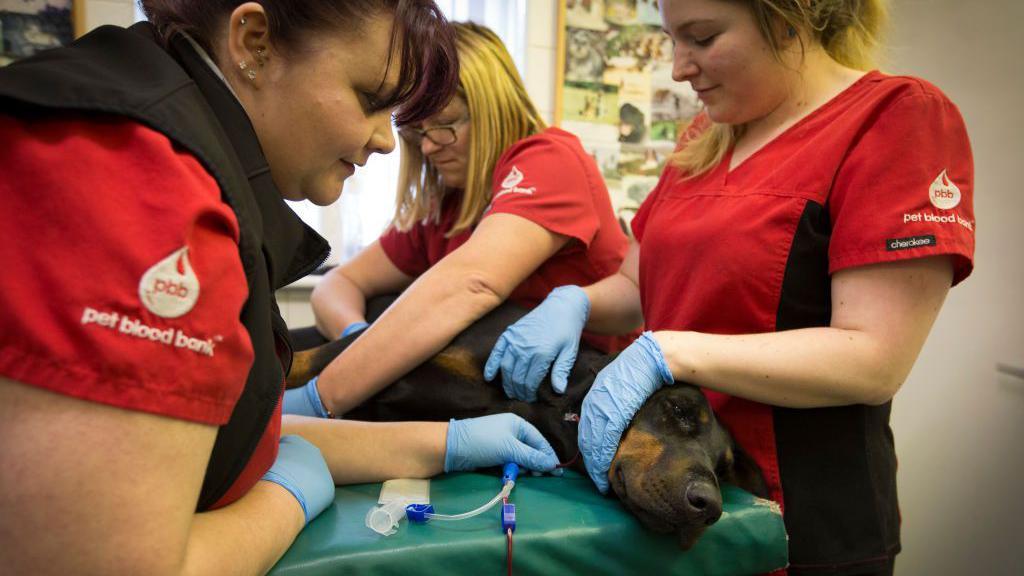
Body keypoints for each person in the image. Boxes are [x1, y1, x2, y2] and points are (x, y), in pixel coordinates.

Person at [0, 2, 560, 574]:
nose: (390, 144)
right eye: (371, 99)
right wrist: (285, 499)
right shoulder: (140, 187)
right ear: (254, 42)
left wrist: (447, 445)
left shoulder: (179, 143)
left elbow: (217, 442)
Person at [485, 0, 975, 574]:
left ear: (790, 16)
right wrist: (573, 302)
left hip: (799, 517)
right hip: (666, 485)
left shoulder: (894, 118)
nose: (678, 67)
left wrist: (672, 352)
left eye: (701, 37)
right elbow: (635, 285)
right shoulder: (707, 134)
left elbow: (875, 357)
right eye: (671, 39)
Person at [287, 21, 631, 418]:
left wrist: (322, 398)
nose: (430, 145)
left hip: (585, 401)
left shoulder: (549, 160)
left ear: (491, 108)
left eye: (446, 125)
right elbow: (338, 283)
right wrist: (356, 337)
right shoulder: (446, 207)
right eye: (419, 132)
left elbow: (472, 284)